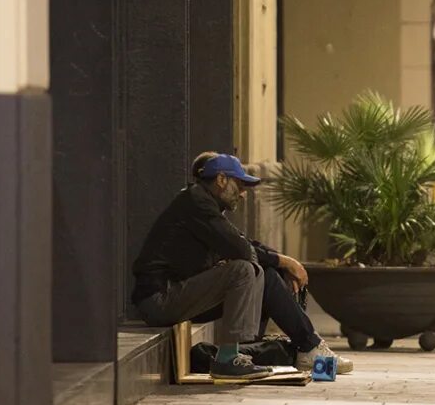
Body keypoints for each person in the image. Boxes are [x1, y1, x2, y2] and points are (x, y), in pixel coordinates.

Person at [131, 152, 353, 380]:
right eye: (240, 185)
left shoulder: (205, 204)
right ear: (221, 180)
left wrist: (281, 261)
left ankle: (308, 347)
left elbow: (243, 242)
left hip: (178, 294)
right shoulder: (196, 203)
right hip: (159, 300)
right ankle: (228, 359)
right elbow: (243, 250)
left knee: (264, 273)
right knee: (243, 270)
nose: (244, 194)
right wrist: (284, 261)